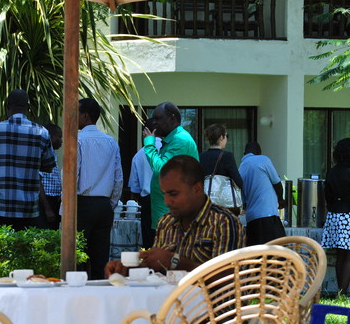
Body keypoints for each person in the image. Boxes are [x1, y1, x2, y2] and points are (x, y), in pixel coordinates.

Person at [105, 155, 245, 277]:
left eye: (173, 194)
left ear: (197, 189)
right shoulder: (166, 223)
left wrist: (174, 261)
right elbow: (156, 270)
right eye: (164, 194)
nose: (167, 201)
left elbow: (227, 278)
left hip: (211, 300)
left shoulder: (224, 222)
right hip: (170, 299)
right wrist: (127, 268)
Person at [0, 89, 55, 230]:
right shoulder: (42, 132)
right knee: (25, 244)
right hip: (28, 209)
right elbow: (49, 166)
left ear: (7, 106)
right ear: (28, 108)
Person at [77, 98, 123, 279]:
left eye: (76, 113)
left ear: (86, 116)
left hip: (82, 203)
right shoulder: (110, 142)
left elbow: (72, 174)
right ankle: (99, 290)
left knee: (77, 257)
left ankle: (77, 293)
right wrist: (110, 203)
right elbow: (118, 178)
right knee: (100, 257)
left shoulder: (78, 140)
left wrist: (66, 204)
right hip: (103, 204)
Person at [321, 138, 350, 295]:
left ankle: (340, 291)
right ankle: (342, 292)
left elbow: (327, 196)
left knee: (340, 256)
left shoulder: (331, 172)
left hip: (334, 216)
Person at [144, 102, 199, 231]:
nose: (154, 123)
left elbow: (162, 169)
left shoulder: (180, 140)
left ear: (172, 119)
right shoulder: (173, 139)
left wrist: (149, 144)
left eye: (158, 118)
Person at [238, 141, 285, 245]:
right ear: (259, 152)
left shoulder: (241, 168)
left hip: (251, 219)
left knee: (256, 253)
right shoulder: (263, 160)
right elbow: (277, 183)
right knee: (279, 250)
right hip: (267, 215)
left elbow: (243, 201)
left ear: (244, 153)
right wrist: (281, 199)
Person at [128, 118, 161, 248]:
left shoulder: (139, 155)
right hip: (168, 200)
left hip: (148, 201)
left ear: (145, 132)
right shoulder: (169, 149)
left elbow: (134, 188)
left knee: (149, 242)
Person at [199, 123, 243, 210]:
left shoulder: (201, 157)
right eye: (226, 136)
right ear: (221, 137)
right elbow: (238, 180)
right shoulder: (227, 156)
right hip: (225, 204)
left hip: (207, 202)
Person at [38, 123, 62, 230]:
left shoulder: (53, 154)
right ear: (50, 136)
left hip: (54, 201)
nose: (61, 141)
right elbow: (38, 182)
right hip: (45, 201)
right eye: (59, 137)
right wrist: (47, 209)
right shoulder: (42, 154)